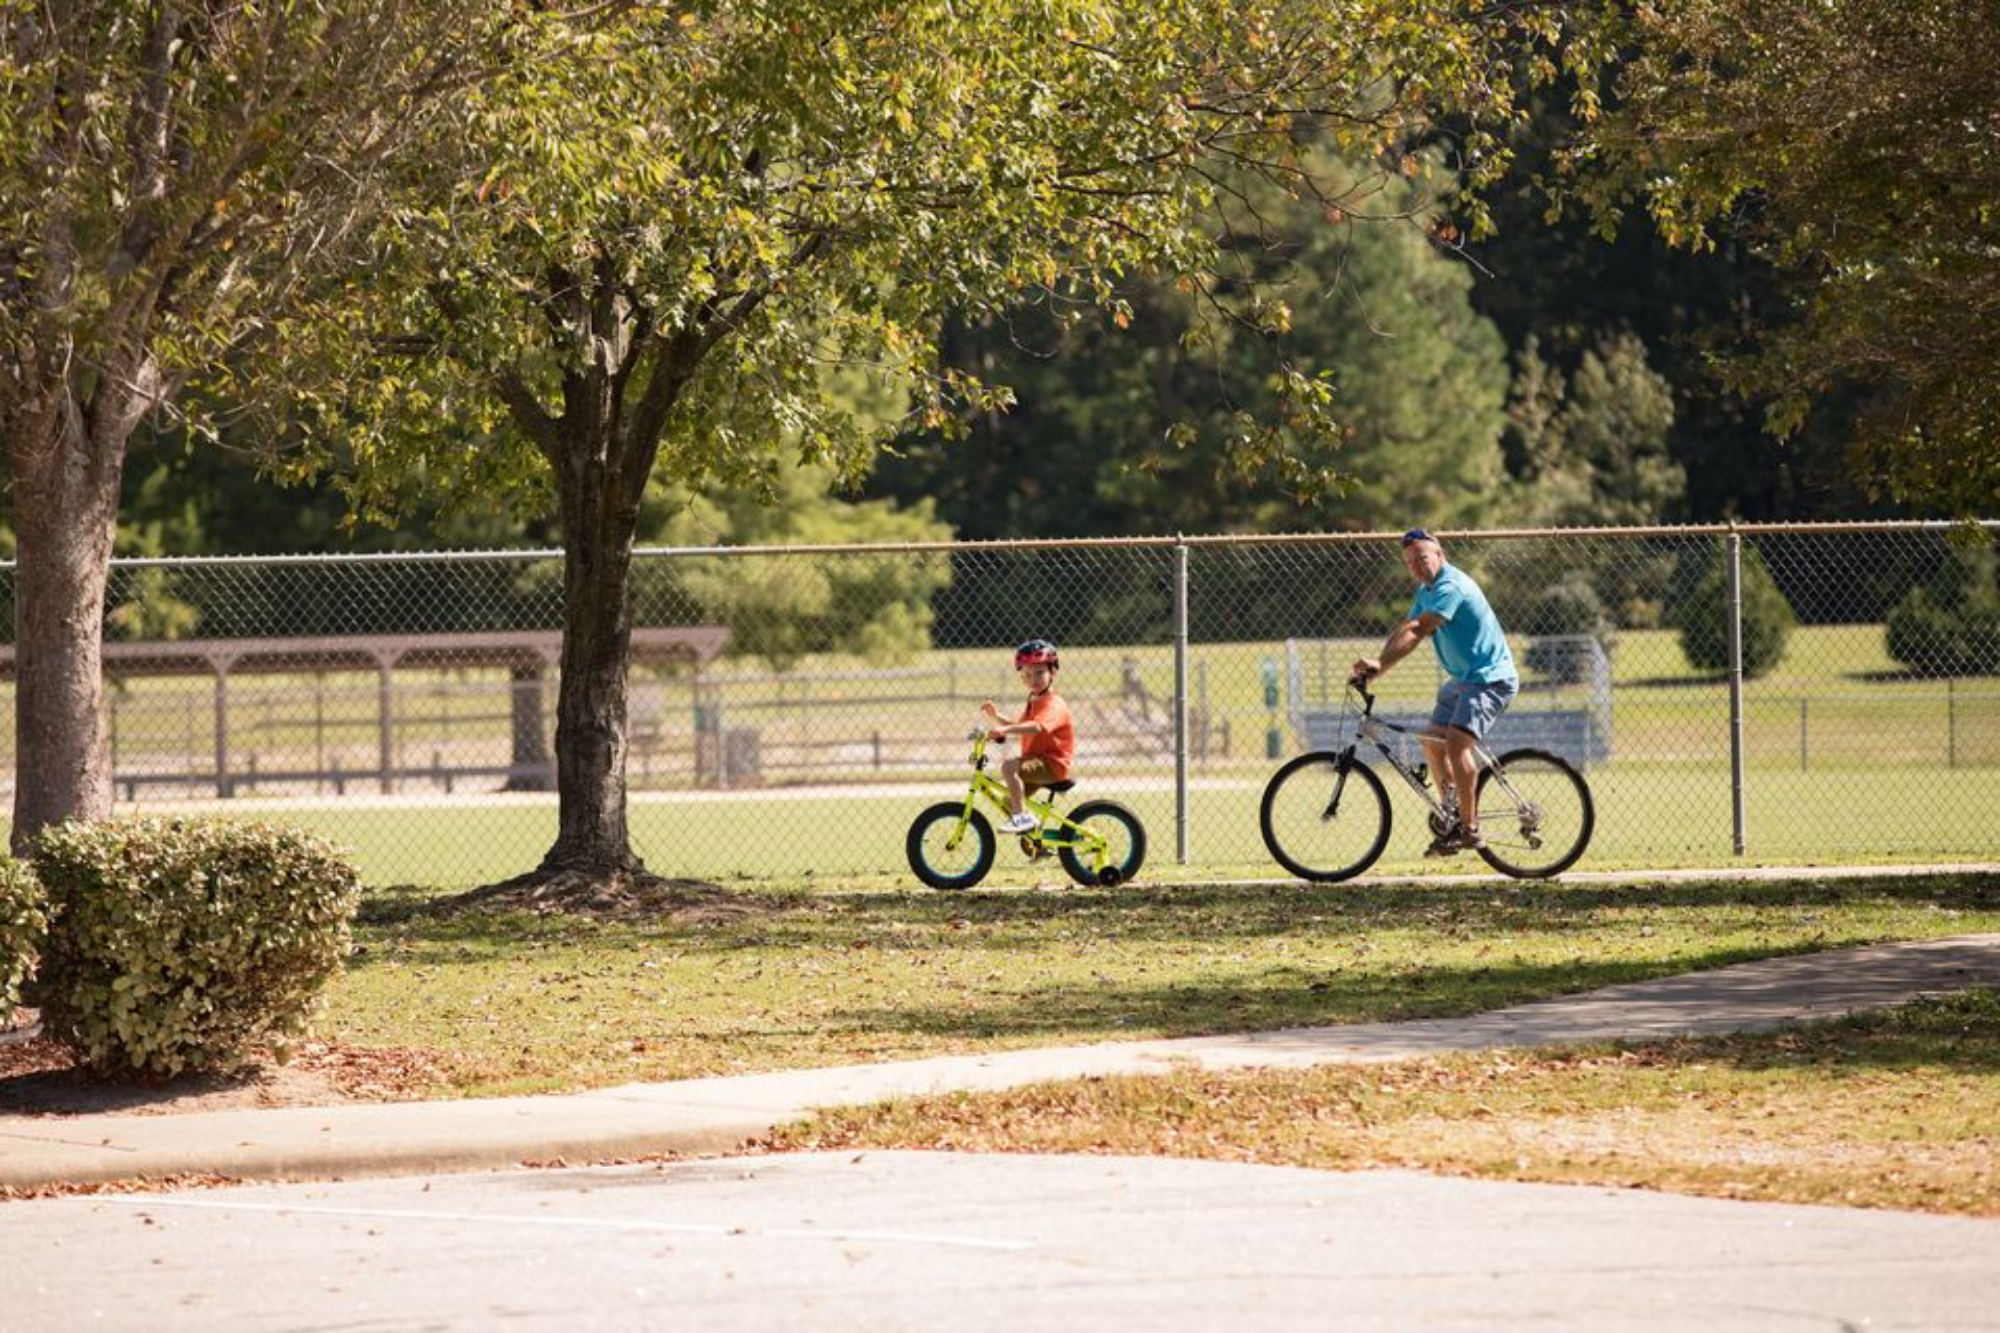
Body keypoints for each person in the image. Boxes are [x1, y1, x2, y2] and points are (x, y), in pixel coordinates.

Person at [1350, 528, 1518, 856]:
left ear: (1440, 555)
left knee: (1456, 744)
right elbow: (1407, 628)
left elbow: (1418, 629)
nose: (1416, 566)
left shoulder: (1450, 586)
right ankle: (1452, 816)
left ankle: (1469, 828)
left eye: (1422, 558)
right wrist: (1376, 668)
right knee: (1430, 739)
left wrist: (1379, 666)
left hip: (1489, 679)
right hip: (1463, 680)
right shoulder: (1426, 590)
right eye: (1410, 562)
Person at [980, 639, 1076, 834]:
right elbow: (1020, 726)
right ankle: (1037, 843)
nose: (1034, 679)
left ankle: (1021, 818)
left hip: (1052, 764)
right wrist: (996, 717)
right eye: (1027, 674)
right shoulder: (1034, 700)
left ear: (1053, 672)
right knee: (1009, 802)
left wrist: (1005, 732)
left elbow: (1036, 727)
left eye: (1040, 673)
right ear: (1022, 677)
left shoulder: (1053, 702)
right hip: (1036, 762)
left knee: (1009, 766)